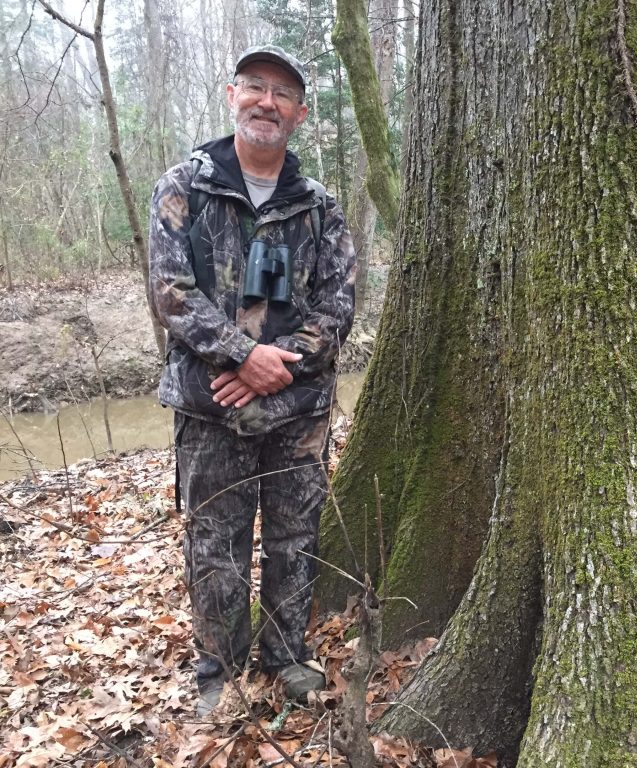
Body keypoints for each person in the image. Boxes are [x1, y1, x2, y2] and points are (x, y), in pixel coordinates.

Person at [148, 44, 355, 716]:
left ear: (298, 114)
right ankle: (222, 674)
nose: (268, 101)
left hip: (297, 408)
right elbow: (172, 292)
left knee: (296, 538)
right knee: (215, 542)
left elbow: (337, 305)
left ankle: (287, 658)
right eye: (256, 87)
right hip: (212, 407)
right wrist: (240, 354)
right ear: (231, 94)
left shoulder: (319, 207)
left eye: (283, 94)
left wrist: (274, 366)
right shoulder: (185, 187)